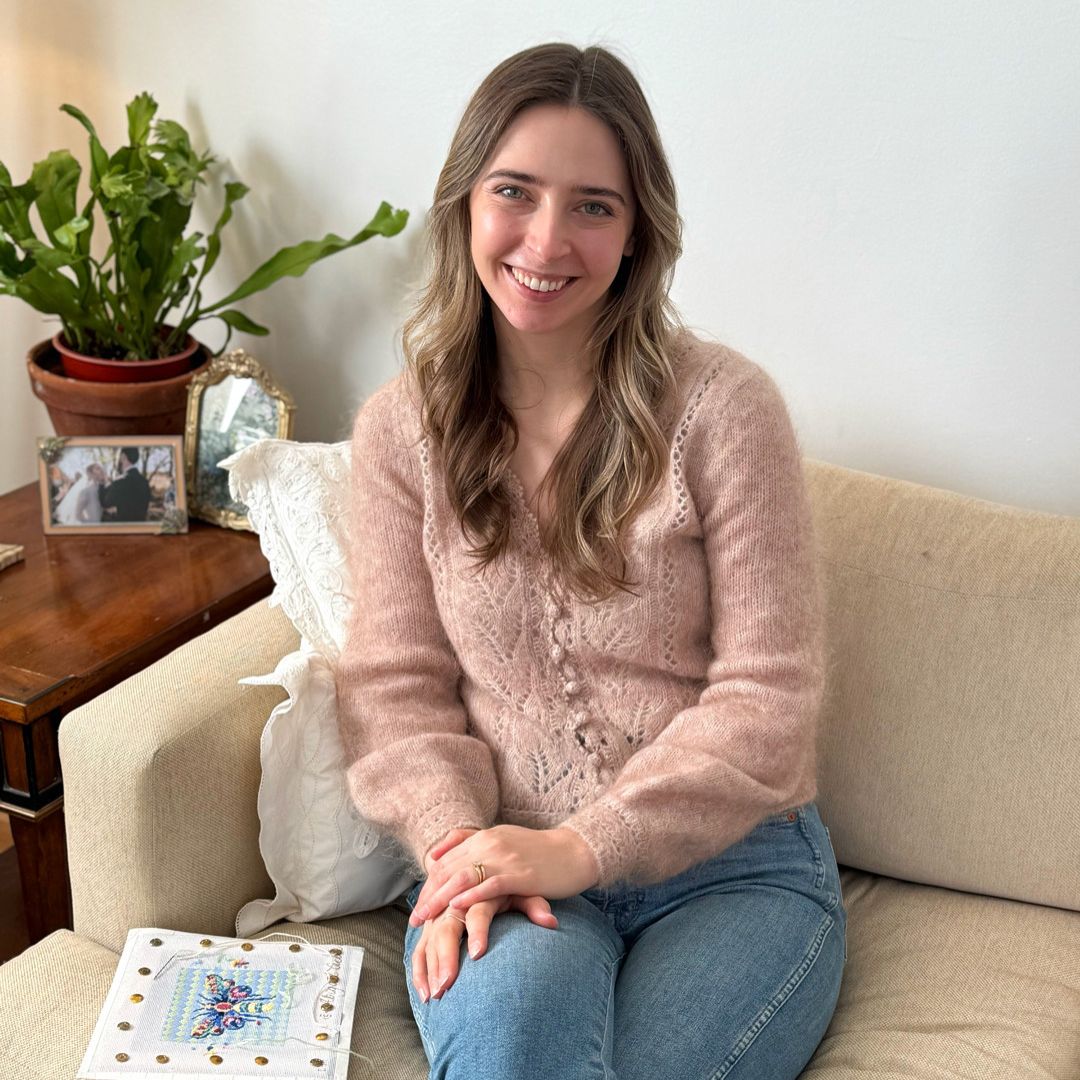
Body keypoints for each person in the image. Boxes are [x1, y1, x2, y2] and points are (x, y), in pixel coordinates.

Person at [335, 42, 846, 1080]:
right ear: (465, 205)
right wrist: (455, 851)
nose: (546, 239)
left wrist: (583, 846)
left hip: (734, 864)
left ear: (639, 232)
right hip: (505, 863)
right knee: (516, 1054)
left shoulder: (723, 411)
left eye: (594, 207)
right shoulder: (401, 434)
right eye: (514, 193)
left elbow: (770, 693)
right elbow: (396, 691)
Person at [100, 446, 151, 522]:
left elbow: (106, 502)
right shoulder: (144, 482)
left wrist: (104, 483)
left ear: (123, 456)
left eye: (119, 455)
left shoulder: (121, 481)